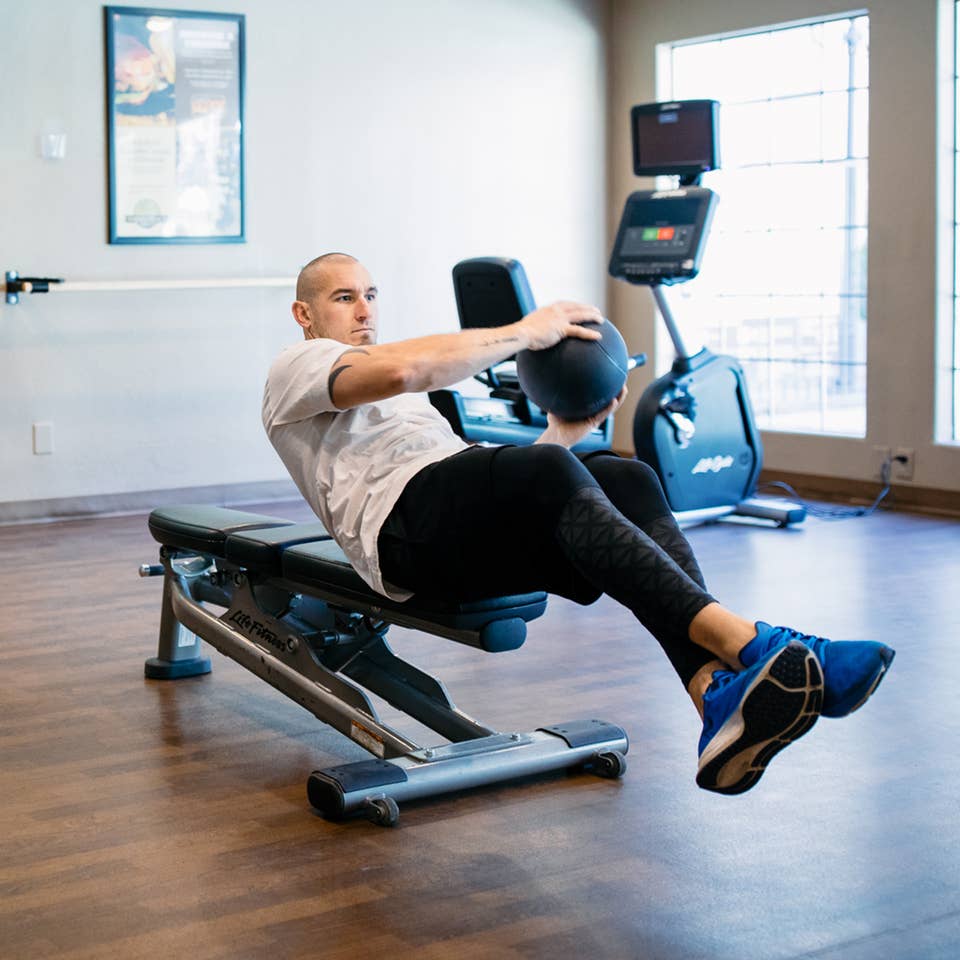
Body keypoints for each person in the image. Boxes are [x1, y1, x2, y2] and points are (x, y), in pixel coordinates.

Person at [263, 252, 894, 795]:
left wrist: (565, 435)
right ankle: (758, 645)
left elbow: (492, 486)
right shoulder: (300, 365)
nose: (364, 310)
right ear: (306, 314)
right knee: (541, 471)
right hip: (401, 536)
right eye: (344, 297)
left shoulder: (399, 399)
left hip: (447, 521)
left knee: (628, 479)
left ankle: (714, 697)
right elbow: (406, 368)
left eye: (370, 295)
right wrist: (524, 331)